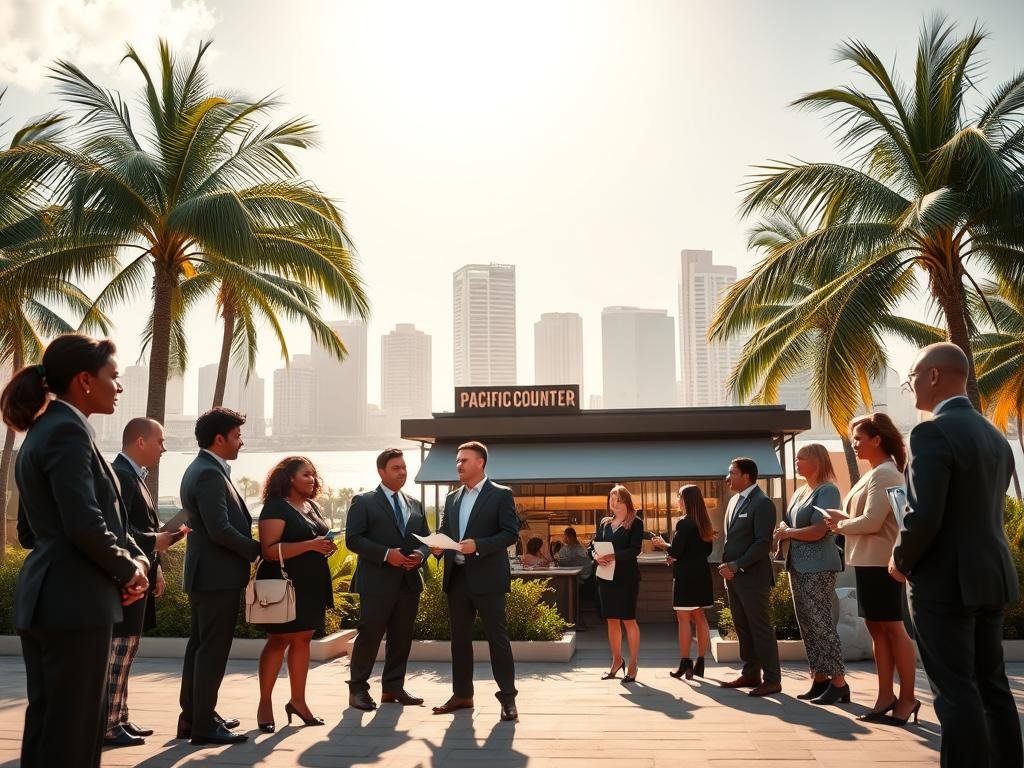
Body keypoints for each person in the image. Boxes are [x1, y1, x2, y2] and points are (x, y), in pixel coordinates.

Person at [2, 335, 150, 768]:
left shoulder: (44, 431)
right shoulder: (67, 430)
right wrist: (129, 571)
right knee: (74, 733)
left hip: (53, 597)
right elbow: (84, 524)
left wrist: (127, 562)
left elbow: (33, 532)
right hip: (73, 602)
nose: (118, 387)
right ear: (85, 380)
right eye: (114, 377)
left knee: (52, 726)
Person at [892, 343, 1022, 766]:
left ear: (933, 376)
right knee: (992, 686)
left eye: (910, 377)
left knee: (955, 691)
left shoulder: (930, 431)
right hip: (991, 575)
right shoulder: (993, 435)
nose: (909, 386)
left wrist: (901, 559)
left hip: (945, 582)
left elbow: (924, 515)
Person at [825, 413, 917, 723]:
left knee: (892, 628)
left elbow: (873, 522)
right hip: (866, 561)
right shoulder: (874, 473)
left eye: (858, 439)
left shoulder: (886, 473)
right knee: (878, 629)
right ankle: (885, 697)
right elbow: (864, 517)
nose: (853, 444)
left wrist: (841, 524)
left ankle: (906, 699)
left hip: (882, 563)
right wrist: (843, 519)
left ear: (877, 439)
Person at [177, 407, 260, 746]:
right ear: (219, 438)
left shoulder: (202, 467)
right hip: (216, 577)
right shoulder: (210, 473)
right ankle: (204, 727)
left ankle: (195, 717)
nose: (241, 442)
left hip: (206, 575)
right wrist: (258, 551)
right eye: (237, 436)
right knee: (211, 650)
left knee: (200, 647)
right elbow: (220, 530)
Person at [106, 418, 184, 746]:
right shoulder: (122, 476)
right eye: (160, 441)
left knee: (128, 648)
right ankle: (109, 723)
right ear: (140, 442)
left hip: (140, 574)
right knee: (120, 649)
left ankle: (119, 717)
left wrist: (158, 568)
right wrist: (157, 542)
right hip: (126, 577)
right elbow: (119, 531)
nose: (164, 448)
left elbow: (141, 529)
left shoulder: (135, 476)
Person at [429, 441, 520, 722]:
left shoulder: (501, 495)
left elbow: (510, 533)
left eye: (464, 460)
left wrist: (478, 545)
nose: (458, 465)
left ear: (480, 462)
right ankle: (462, 695)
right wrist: (438, 544)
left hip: (488, 579)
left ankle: (508, 700)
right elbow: (446, 529)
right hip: (457, 579)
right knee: (459, 641)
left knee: (498, 639)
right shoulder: (452, 498)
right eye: (457, 460)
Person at [345, 448, 431, 712]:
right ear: (381, 471)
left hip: (408, 582)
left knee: (402, 637)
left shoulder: (415, 503)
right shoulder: (364, 501)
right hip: (376, 582)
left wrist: (420, 554)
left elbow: (425, 539)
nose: (402, 472)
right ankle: (357, 689)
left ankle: (393, 687)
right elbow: (353, 539)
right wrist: (386, 555)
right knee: (369, 636)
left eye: (404, 467)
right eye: (396, 468)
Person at [254, 457, 336, 730]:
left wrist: (322, 547)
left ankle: (298, 702)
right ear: (289, 478)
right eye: (306, 475)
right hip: (283, 582)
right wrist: (311, 545)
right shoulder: (275, 507)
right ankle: (265, 703)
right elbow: (268, 550)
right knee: (278, 640)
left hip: (311, 583)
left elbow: (313, 541)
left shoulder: (311, 506)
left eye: (314, 475)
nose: (312, 479)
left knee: (303, 640)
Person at [775, 444, 846, 704]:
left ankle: (839, 682)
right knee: (806, 625)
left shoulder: (828, 490)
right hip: (797, 564)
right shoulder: (800, 491)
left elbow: (820, 530)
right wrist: (786, 530)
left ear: (817, 460)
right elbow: (793, 525)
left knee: (821, 623)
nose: (796, 461)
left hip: (818, 565)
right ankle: (819, 678)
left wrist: (788, 533)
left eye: (801, 457)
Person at [718, 457, 781, 697]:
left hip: (752, 577)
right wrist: (728, 567)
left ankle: (773, 679)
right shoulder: (734, 500)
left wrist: (736, 565)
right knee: (742, 627)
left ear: (747, 476)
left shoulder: (762, 503)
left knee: (760, 628)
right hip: (733, 577)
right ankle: (751, 673)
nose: (727, 477)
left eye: (731, 472)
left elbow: (762, 543)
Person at [652, 484, 715, 680]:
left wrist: (663, 545)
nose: (677, 500)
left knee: (683, 619)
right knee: (700, 616)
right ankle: (701, 661)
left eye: (679, 496)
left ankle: (685, 661)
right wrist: (676, 555)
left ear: (686, 500)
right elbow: (704, 552)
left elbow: (677, 551)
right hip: (702, 574)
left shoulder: (684, 523)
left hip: (686, 576)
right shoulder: (704, 523)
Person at [589, 485, 644, 683]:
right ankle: (616, 661)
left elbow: (634, 550)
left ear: (626, 501)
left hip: (626, 578)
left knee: (628, 620)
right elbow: (591, 545)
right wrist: (595, 556)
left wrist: (613, 556)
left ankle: (633, 664)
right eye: (611, 498)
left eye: (618, 498)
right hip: (605, 577)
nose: (614, 502)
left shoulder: (635, 522)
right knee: (611, 620)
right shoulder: (604, 522)